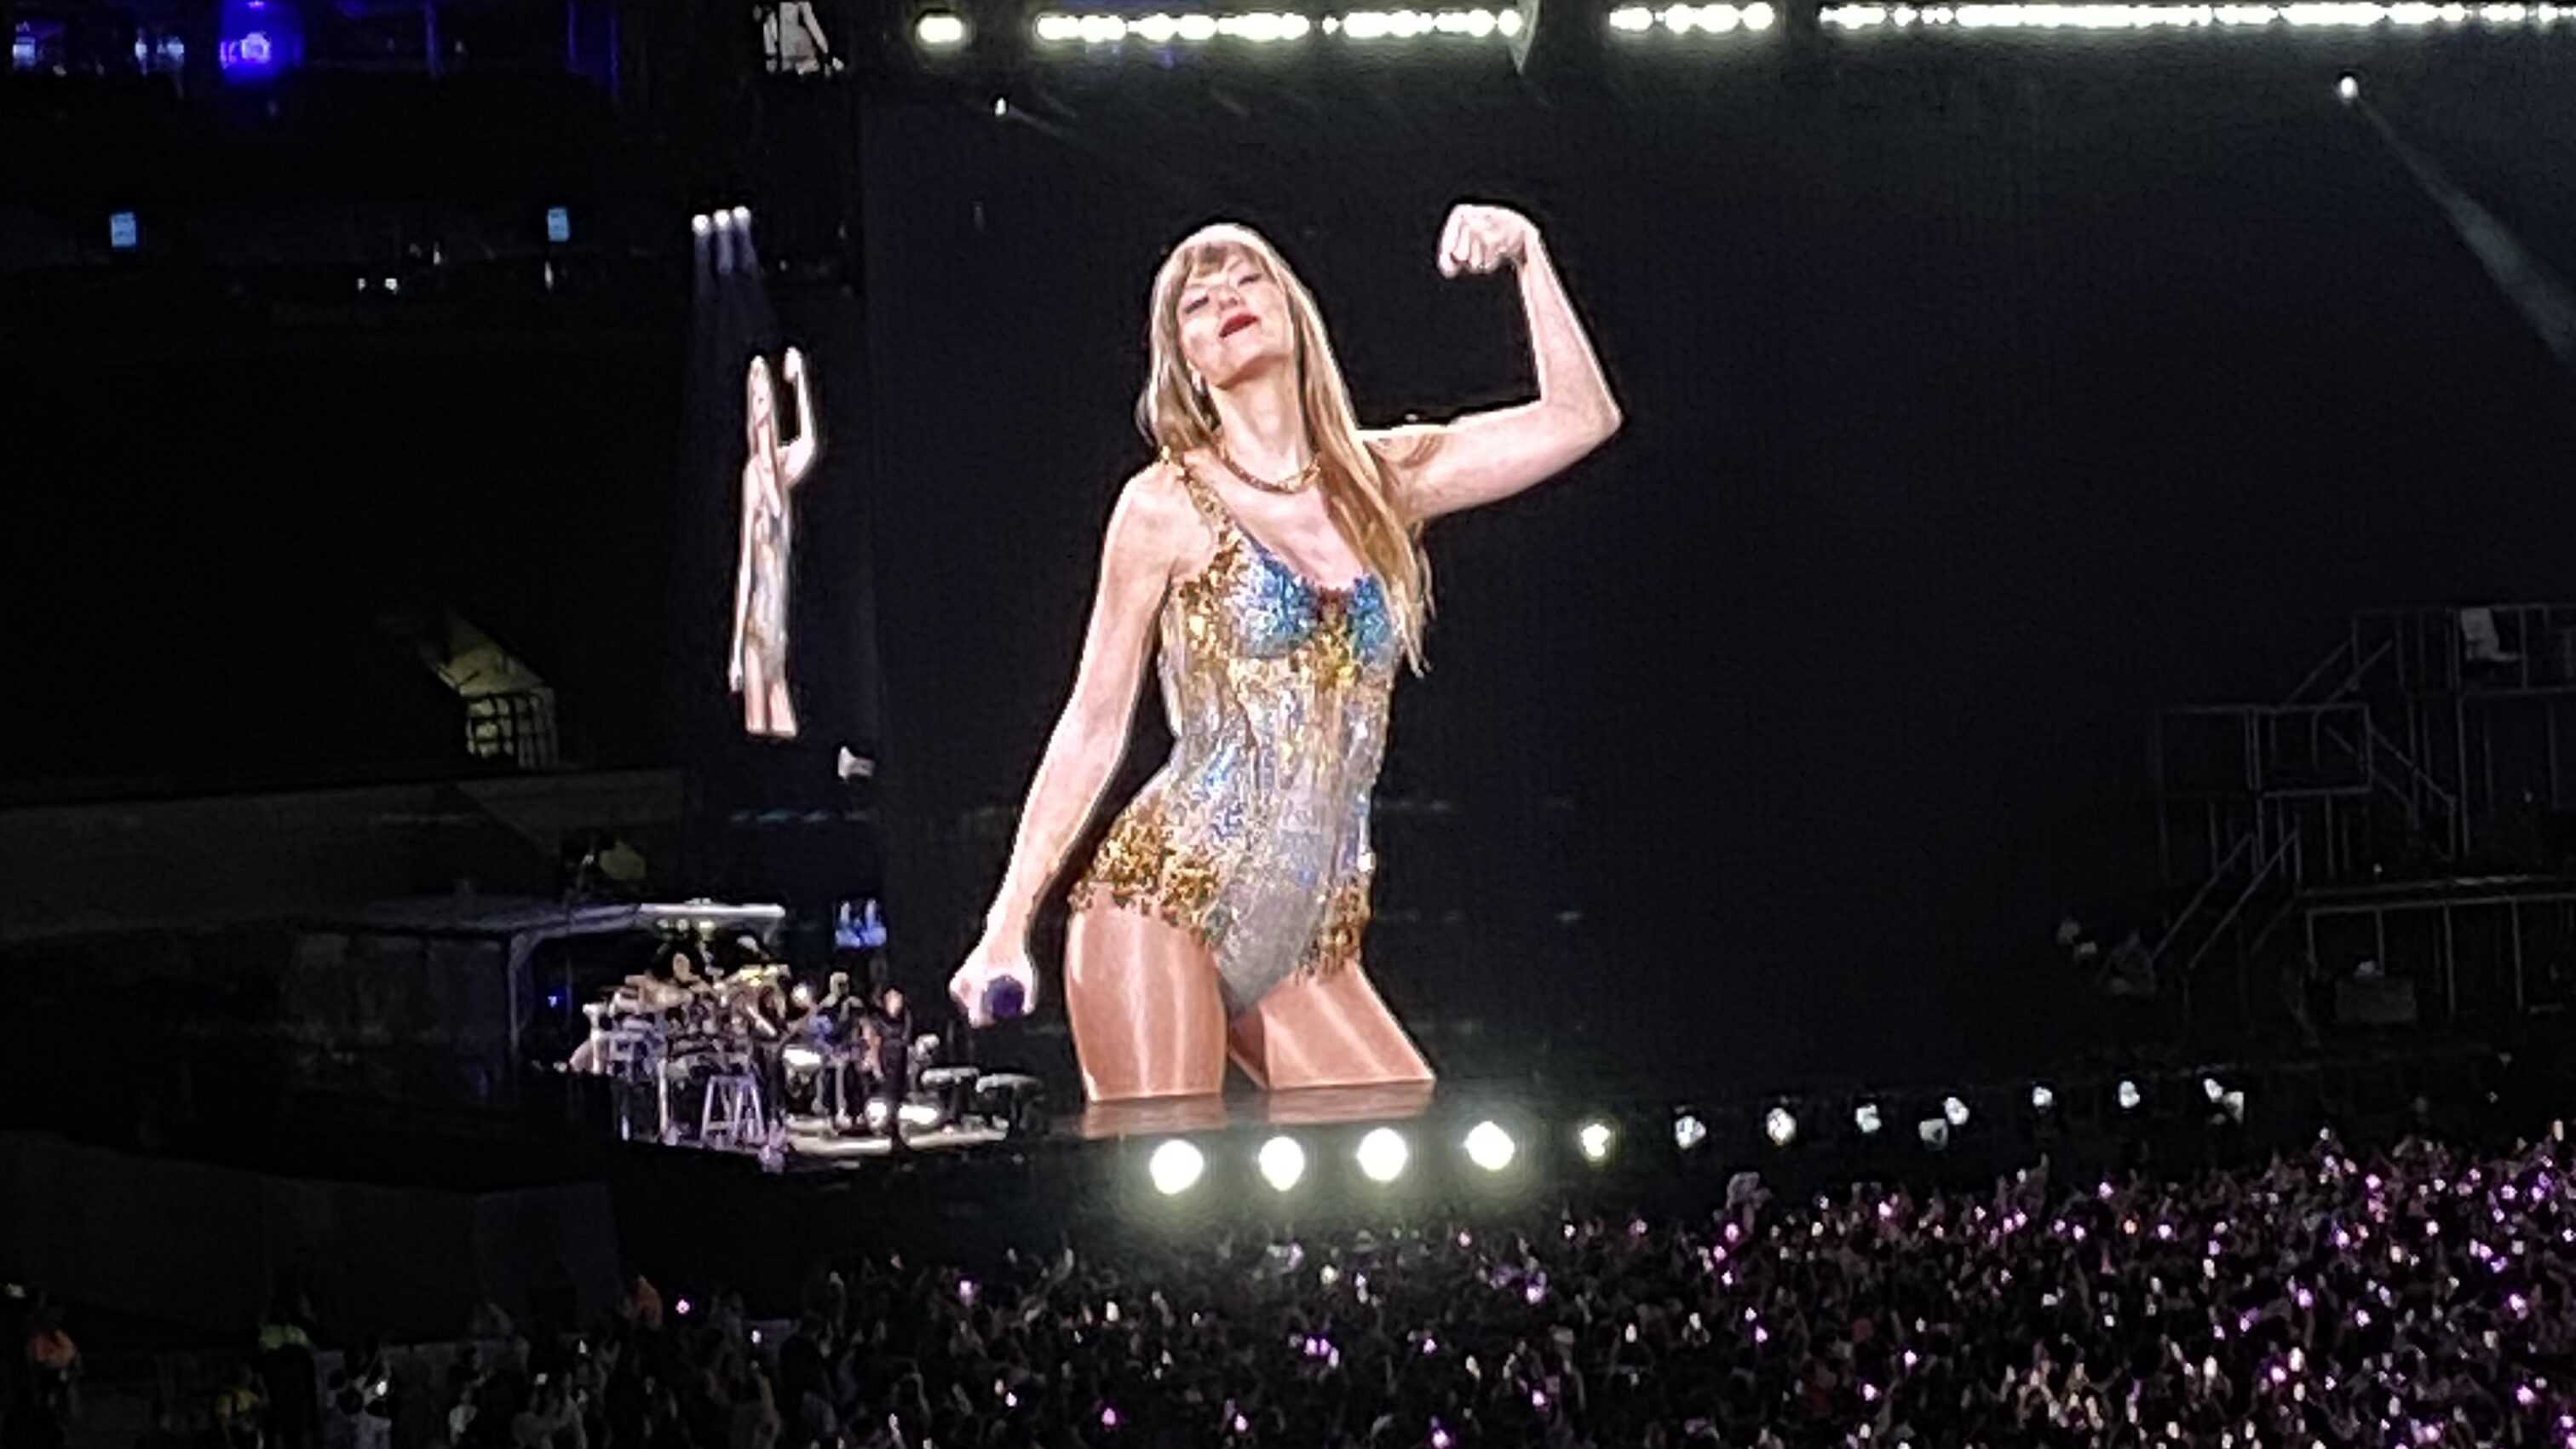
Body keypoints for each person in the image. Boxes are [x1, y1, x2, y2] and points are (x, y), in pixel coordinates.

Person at [948, 204, 1620, 1102]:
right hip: (1166, 898)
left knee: (1405, 1151)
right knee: (1171, 1175)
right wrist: (1007, 923)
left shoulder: (1384, 480)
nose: (1225, 296)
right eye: (1197, 301)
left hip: (1306, 931)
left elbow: (1581, 418)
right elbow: (1093, 723)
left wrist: (1528, 251)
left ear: (1293, 311)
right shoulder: (1163, 505)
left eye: (1247, 277)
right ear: (1187, 362)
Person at [729, 348, 819, 739]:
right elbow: (746, 564)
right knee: (761, 732)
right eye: (756, 399)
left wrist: (798, 384)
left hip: (777, 631)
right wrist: (735, 652)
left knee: (785, 729)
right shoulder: (752, 476)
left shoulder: (783, 466)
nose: (761, 407)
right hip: (757, 628)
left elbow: (809, 444)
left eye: (765, 396)